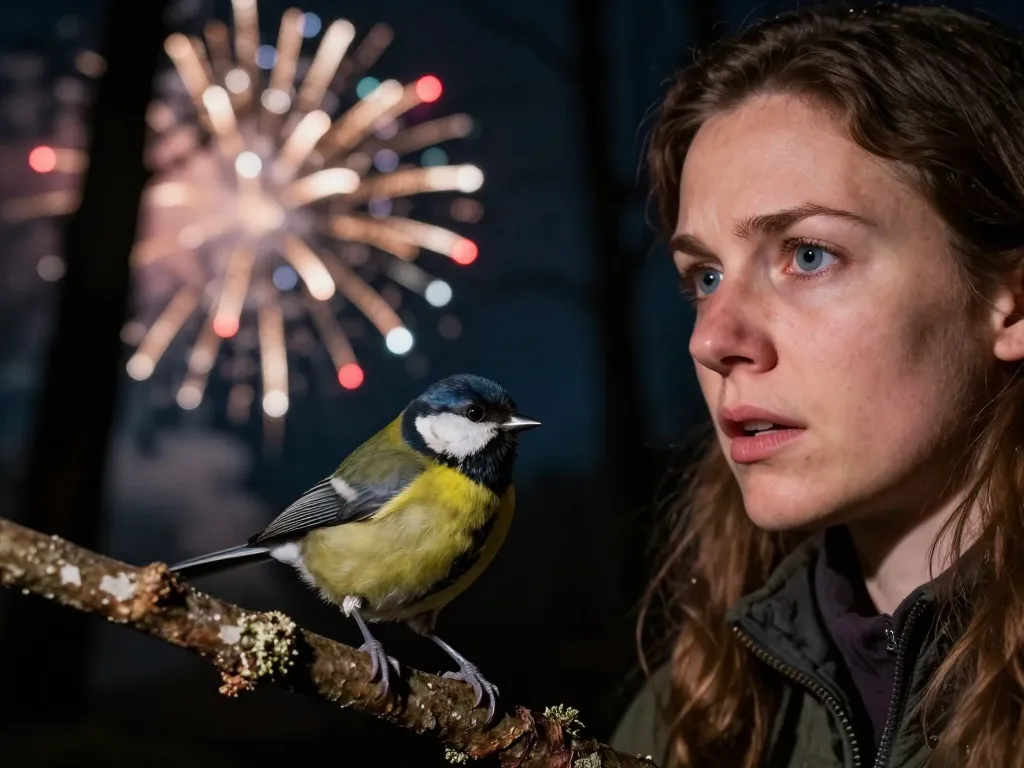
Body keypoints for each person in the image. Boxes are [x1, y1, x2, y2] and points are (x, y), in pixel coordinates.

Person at [610, 5, 1024, 767]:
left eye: (807, 256)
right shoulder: (694, 716)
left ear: (1011, 301)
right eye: (704, 277)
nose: (711, 339)